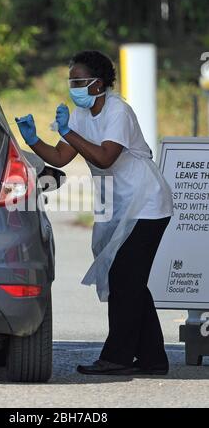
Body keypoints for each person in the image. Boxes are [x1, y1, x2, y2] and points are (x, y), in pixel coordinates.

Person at [15, 50, 174, 376]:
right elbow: (60, 157)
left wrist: (68, 133)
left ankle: (116, 357)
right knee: (130, 281)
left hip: (148, 203)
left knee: (124, 278)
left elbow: (105, 158)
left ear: (98, 84)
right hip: (120, 205)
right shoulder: (79, 114)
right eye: (71, 81)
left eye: (78, 81)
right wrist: (33, 141)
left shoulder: (119, 111)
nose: (72, 86)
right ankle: (153, 359)